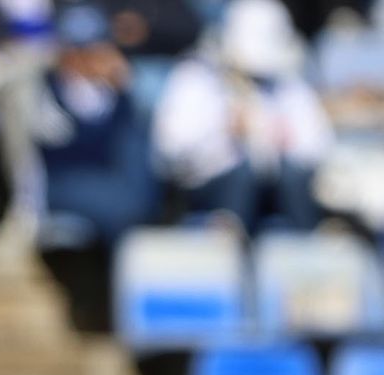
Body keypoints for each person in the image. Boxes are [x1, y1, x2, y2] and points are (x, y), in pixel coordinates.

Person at [153, 0, 333, 233]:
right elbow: (170, 150)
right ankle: (227, 254)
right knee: (241, 177)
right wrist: (224, 132)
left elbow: (319, 145)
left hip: (276, 189)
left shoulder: (288, 85)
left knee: (294, 181)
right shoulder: (195, 78)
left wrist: (283, 140)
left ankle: (305, 253)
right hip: (211, 188)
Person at [30, 5, 157, 244]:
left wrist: (123, 88)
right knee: (123, 208)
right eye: (88, 51)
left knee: (131, 196)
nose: (99, 57)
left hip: (113, 182)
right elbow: (59, 142)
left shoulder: (117, 94)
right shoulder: (48, 89)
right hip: (64, 182)